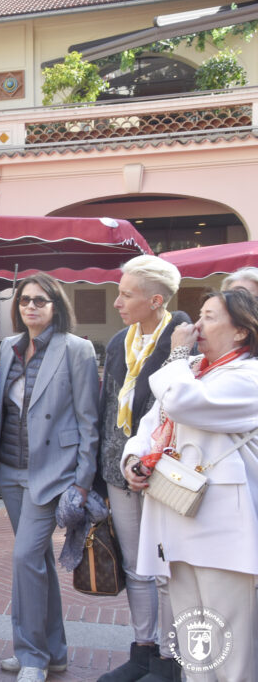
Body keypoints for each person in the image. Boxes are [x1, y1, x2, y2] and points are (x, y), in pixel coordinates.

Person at [122, 288, 258, 682]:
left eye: (210, 317)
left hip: (223, 532)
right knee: (194, 646)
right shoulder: (193, 370)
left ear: (240, 333)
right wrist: (133, 459)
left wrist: (177, 356)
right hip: (178, 521)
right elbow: (149, 424)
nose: (195, 325)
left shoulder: (248, 375)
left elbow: (184, 404)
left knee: (231, 651)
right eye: (199, 314)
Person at [0, 274, 99, 682]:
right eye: (24, 301)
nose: (31, 307)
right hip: (9, 470)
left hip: (52, 472)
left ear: (56, 305)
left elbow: (89, 422)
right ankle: (55, 652)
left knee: (23, 559)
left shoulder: (77, 349)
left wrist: (83, 481)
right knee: (36, 563)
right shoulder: (6, 348)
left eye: (40, 300)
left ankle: (32, 656)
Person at [97, 255, 189, 682]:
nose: (117, 301)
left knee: (167, 566)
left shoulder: (184, 337)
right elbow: (107, 405)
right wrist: (105, 468)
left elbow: (180, 407)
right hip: (120, 467)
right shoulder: (119, 341)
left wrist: (149, 459)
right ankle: (143, 650)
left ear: (156, 300)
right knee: (136, 566)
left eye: (126, 294)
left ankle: (172, 661)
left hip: (162, 471)